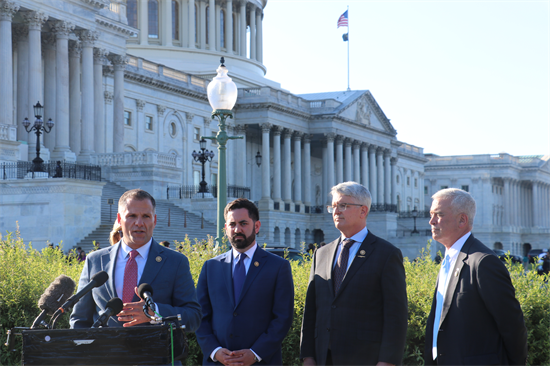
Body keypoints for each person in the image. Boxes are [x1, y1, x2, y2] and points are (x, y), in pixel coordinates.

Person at [70, 189, 202, 363]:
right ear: (119, 219)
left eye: (146, 216)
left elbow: (193, 317)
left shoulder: (175, 262)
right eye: (132, 216)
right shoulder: (95, 260)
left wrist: (154, 313)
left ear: (154, 220)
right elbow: (80, 320)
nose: (139, 223)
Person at [300, 182, 408, 366]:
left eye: (343, 205)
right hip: (323, 357)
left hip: (365, 358)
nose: (336, 211)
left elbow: (396, 316)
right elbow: (311, 310)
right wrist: (308, 356)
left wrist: (387, 362)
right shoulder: (321, 253)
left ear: (363, 211)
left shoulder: (386, 254)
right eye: (333, 206)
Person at [424, 188, 527, 366]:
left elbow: (512, 325)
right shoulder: (448, 260)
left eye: (439, 215)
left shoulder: (483, 263)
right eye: (431, 214)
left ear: (462, 220)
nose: (431, 221)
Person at [196, 198, 294, 366]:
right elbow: (200, 317)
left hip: (261, 362)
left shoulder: (278, 267)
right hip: (219, 362)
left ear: (256, 226)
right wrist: (215, 351)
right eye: (232, 224)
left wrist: (256, 353)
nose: (237, 229)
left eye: (243, 223)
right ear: (225, 228)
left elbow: (282, 318)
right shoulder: (210, 267)